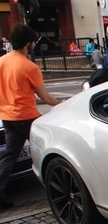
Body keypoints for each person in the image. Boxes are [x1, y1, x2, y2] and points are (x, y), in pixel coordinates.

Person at [0, 24, 62, 210]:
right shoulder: (29, 67)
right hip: (28, 117)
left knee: (9, 157)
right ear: (28, 43)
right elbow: (46, 98)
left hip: (8, 117)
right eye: (34, 42)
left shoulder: (1, 62)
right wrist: (65, 104)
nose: (35, 45)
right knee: (51, 151)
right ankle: (58, 190)